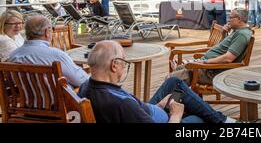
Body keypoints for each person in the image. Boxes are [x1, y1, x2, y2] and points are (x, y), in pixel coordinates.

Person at [78, 40, 235, 123]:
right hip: (166, 119)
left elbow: (135, 108)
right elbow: (128, 107)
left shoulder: (87, 86)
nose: (125, 66)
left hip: (150, 110)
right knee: (198, 118)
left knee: (174, 83)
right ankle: (224, 122)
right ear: (114, 65)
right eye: (124, 61)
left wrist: (158, 106)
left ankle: (223, 120)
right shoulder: (121, 104)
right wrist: (176, 115)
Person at [169, 9, 253, 85]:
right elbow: (223, 48)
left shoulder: (241, 35)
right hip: (208, 67)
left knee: (171, 79)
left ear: (238, 19)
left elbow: (228, 58)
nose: (228, 20)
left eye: (230, 17)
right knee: (178, 71)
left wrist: (205, 62)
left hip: (212, 72)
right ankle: (176, 98)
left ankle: (173, 99)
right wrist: (224, 33)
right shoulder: (237, 31)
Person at [7, 15, 89, 87]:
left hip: (28, 102)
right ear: (47, 32)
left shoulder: (13, 56)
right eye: (51, 29)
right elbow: (81, 81)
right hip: (61, 102)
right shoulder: (56, 55)